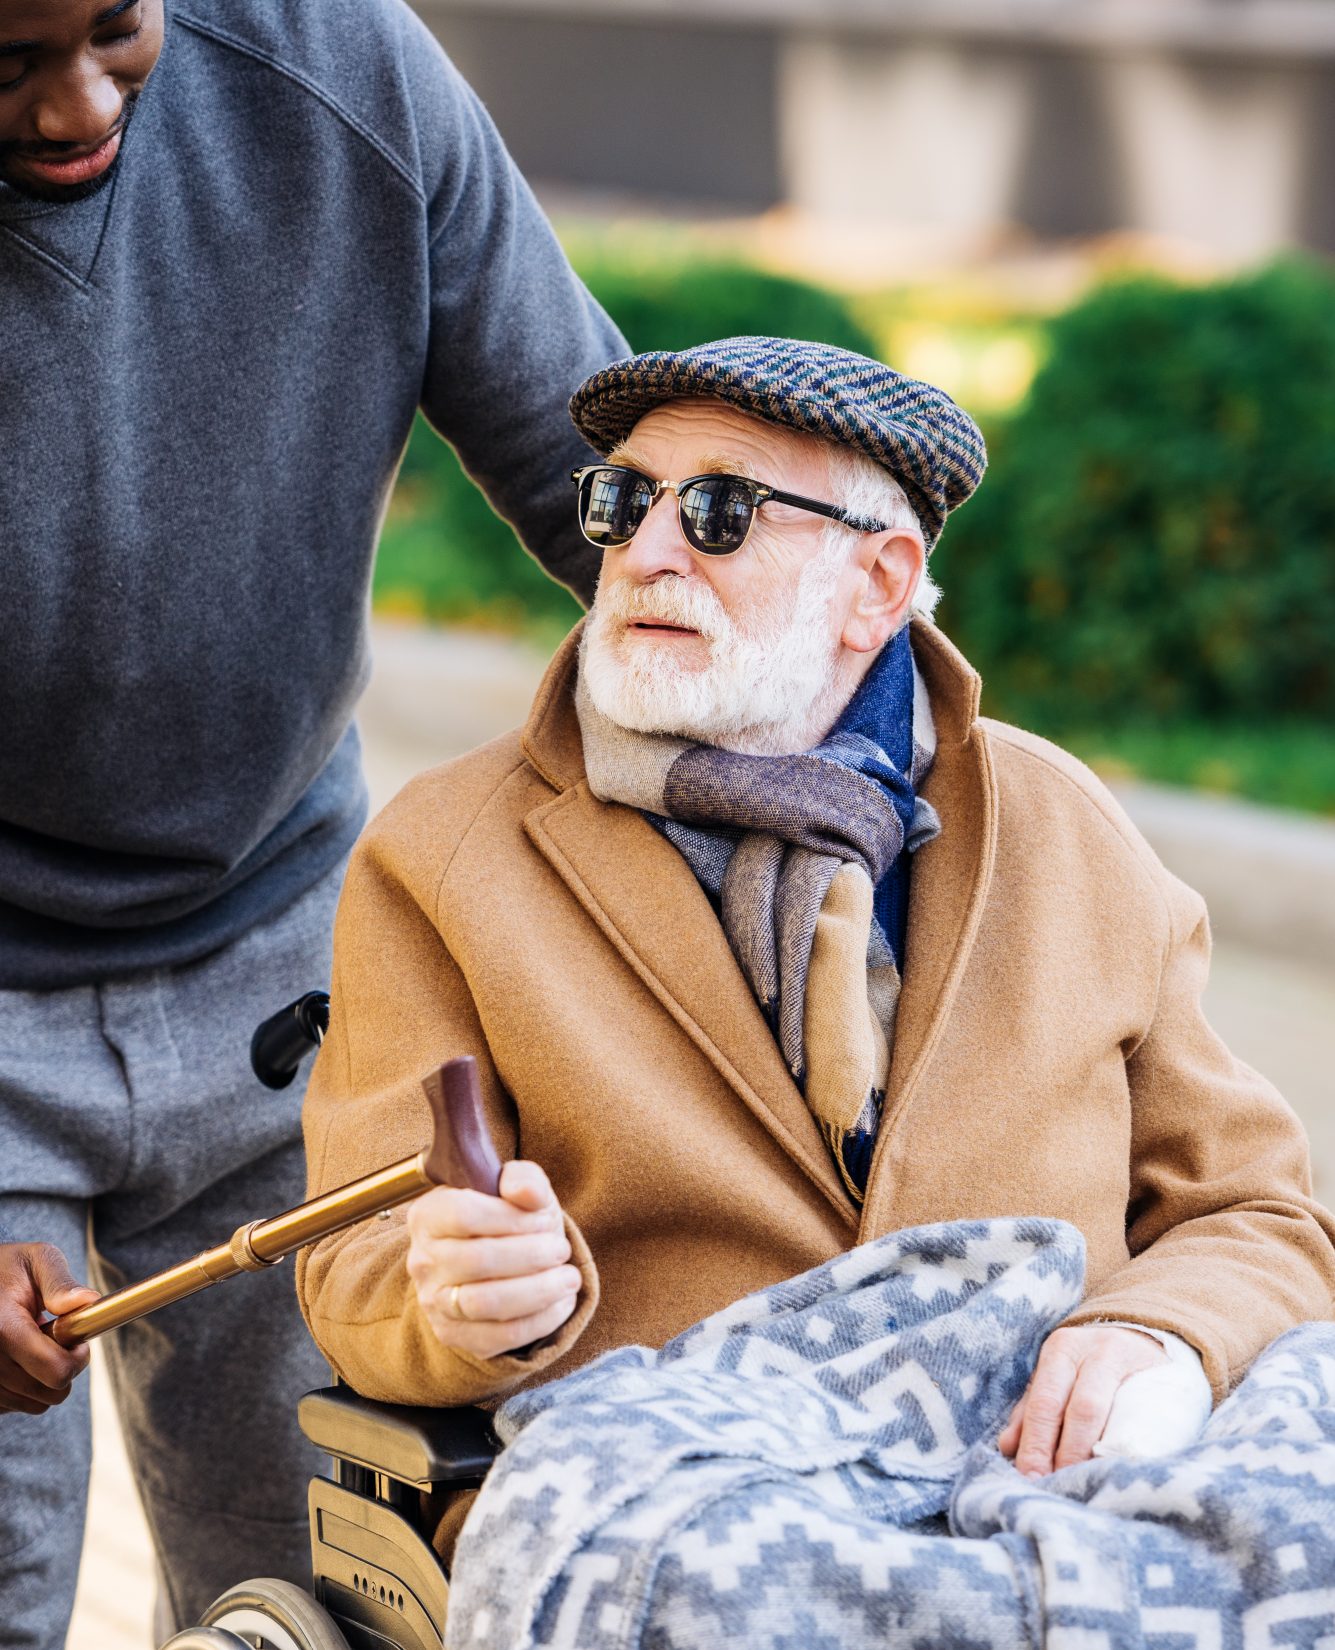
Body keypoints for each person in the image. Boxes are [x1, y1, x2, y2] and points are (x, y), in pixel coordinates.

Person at [296, 336, 1335, 1558]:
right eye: (626, 502)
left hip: (1054, 1509)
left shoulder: (1062, 828)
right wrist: (457, 1299)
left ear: (879, 584)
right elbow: (349, 1266)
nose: (648, 551)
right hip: (688, 1524)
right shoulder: (449, 855)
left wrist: (1158, 1332)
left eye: (723, 511)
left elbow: (1259, 1212)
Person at [0, 0, 625, 1637]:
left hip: (285, 968)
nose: (75, 100)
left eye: (116, 24)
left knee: (313, 1598)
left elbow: (619, 499)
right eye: (1, 57)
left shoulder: (342, 71)